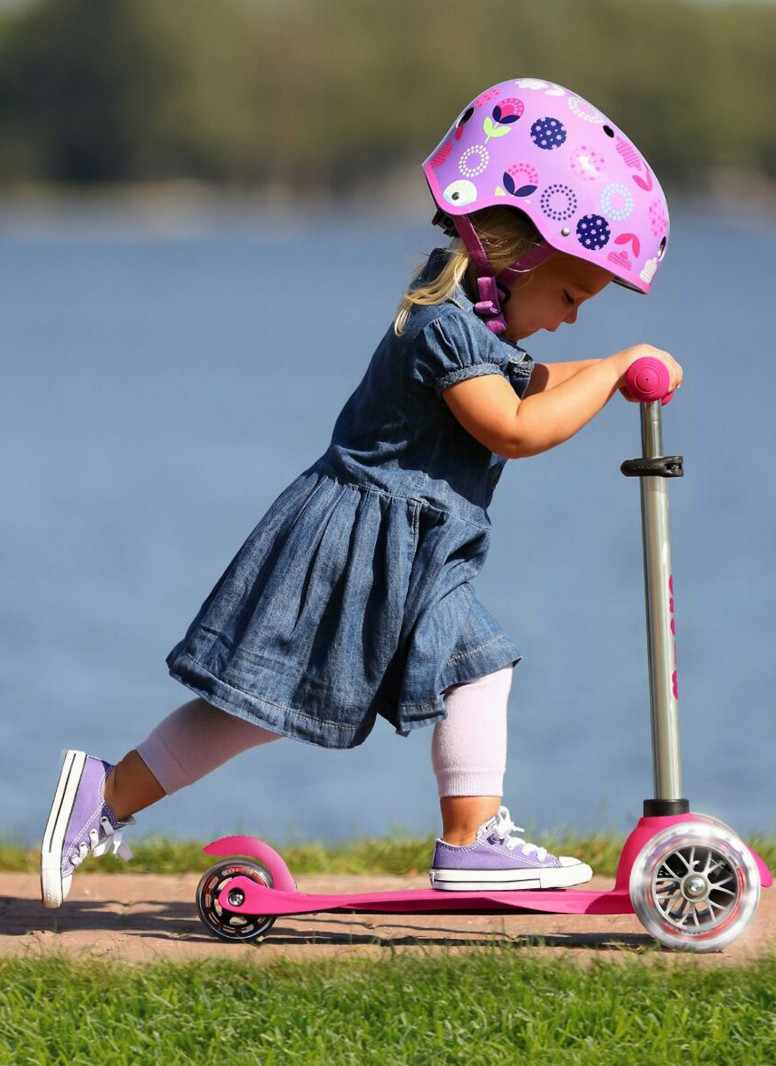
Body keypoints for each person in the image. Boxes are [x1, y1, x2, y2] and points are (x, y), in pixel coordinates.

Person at [41, 77, 682, 908]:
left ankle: (467, 837)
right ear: (513, 251)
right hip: (359, 549)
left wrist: (613, 374)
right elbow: (516, 426)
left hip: (411, 554)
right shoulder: (445, 325)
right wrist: (611, 369)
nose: (566, 320)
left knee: (468, 670)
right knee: (264, 703)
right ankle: (112, 792)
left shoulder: (468, 323)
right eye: (568, 294)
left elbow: (529, 385)